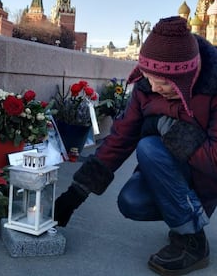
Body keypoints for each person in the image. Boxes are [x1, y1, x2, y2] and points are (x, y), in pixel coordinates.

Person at [55, 16, 217, 276]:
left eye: (163, 83)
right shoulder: (146, 87)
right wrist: (76, 192)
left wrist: (171, 131)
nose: (154, 88)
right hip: (173, 174)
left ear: (185, 78)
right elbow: (120, 137)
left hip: (206, 179)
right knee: (131, 201)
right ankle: (184, 218)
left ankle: (193, 243)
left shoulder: (213, 84)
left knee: (150, 147)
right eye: (149, 79)